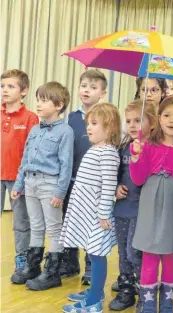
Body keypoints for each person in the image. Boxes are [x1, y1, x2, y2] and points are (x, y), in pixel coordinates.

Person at [130, 95, 173, 313]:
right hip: (149, 206)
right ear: (158, 118)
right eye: (166, 115)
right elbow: (138, 179)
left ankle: (167, 302)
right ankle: (148, 302)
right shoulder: (147, 146)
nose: (171, 120)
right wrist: (136, 158)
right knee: (149, 255)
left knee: (170, 255)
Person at [10, 82, 73, 291]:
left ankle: (52, 273)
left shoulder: (65, 131)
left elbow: (66, 164)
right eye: (38, 99)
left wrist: (60, 191)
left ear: (58, 105)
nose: (39, 104)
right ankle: (33, 266)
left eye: (44, 100)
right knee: (36, 226)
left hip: (50, 184)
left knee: (54, 228)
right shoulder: (35, 129)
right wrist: (19, 184)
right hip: (30, 182)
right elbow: (25, 158)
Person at [61, 103, 121, 313]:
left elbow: (108, 185)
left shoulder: (108, 153)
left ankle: (95, 299)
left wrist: (104, 212)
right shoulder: (96, 148)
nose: (89, 127)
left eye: (94, 123)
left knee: (96, 254)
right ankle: (94, 291)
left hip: (97, 215)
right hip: (86, 212)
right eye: (89, 123)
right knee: (91, 251)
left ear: (111, 127)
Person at [60, 69, 108, 285]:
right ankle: (70, 262)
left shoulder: (106, 117)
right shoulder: (71, 117)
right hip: (72, 180)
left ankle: (91, 266)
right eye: (84, 86)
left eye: (93, 87)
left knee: (91, 225)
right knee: (69, 221)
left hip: (94, 184)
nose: (87, 90)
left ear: (103, 93)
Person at [108, 100, 157, 311]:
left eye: (138, 120)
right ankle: (127, 288)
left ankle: (144, 289)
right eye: (128, 121)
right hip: (122, 209)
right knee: (122, 252)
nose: (133, 125)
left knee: (134, 252)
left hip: (141, 211)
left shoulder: (154, 148)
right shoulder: (123, 147)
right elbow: (115, 175)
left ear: (152, 123)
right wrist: (116, 187)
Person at [1, 69, 38, 280]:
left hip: (18, 179)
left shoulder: (30, 118)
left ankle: (22, 258)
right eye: (2, 86)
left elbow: (32, 152)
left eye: (11, 86)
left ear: (23, 91)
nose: (5, 90)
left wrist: (23, 179)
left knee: (21, 222)